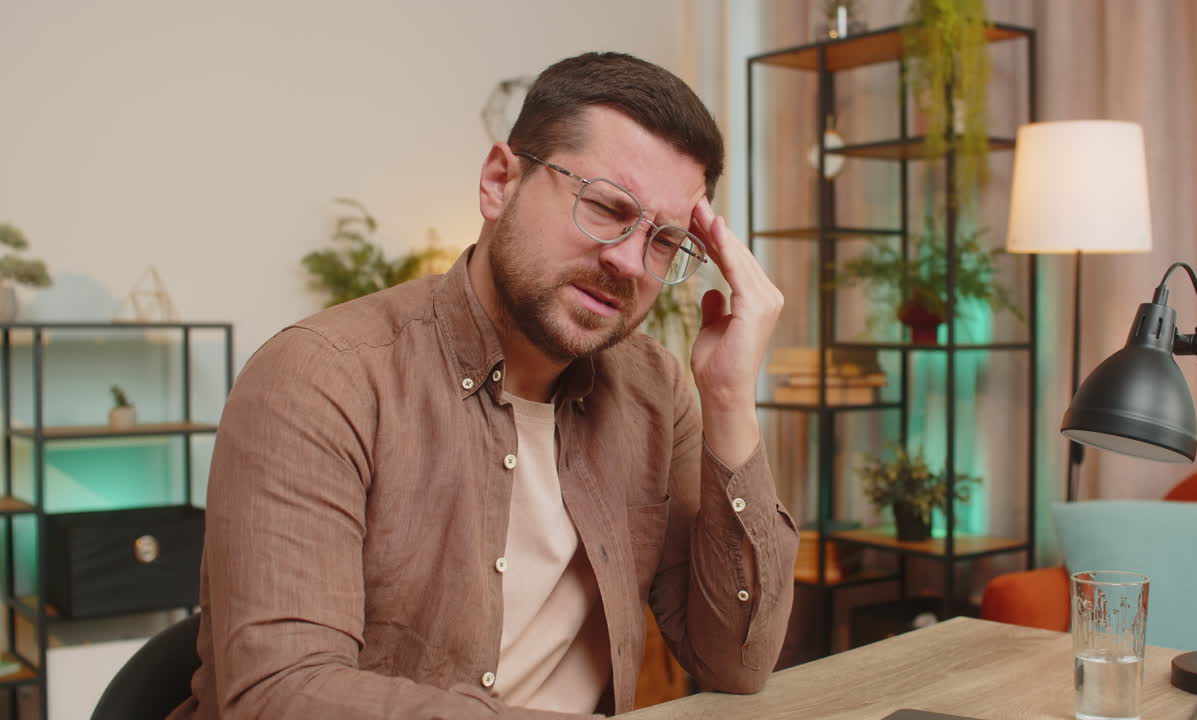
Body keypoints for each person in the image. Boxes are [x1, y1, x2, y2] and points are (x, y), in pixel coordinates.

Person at [172, 51, 798, 720]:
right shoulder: (320, 379)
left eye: (665, 242)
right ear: (500, 181)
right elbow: (279, 695)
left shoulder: (655, 392)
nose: (626, 260)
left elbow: (735, 662)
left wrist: (730, 399)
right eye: (608, 207)